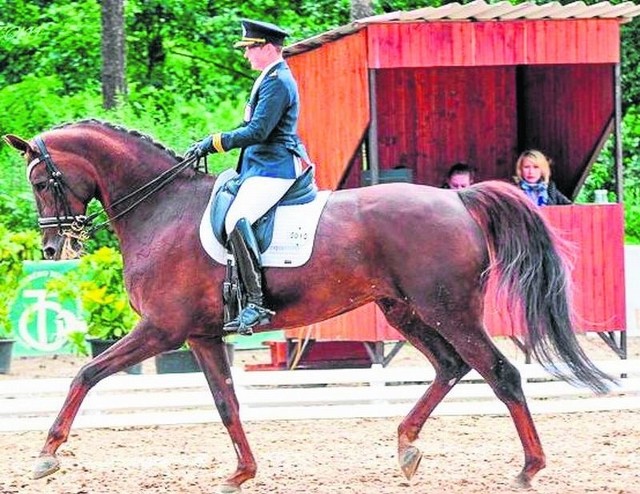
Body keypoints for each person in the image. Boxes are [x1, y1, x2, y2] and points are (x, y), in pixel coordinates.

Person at [185, 18, 312, 335]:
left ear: (267, 48)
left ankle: (256, 304)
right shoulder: (268, 77)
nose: (246, 55)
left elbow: (258, 131)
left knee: (236, 218)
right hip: (258, 165)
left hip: (275, 166)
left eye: (250, 49)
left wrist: (214, 143)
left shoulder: (279, 81)